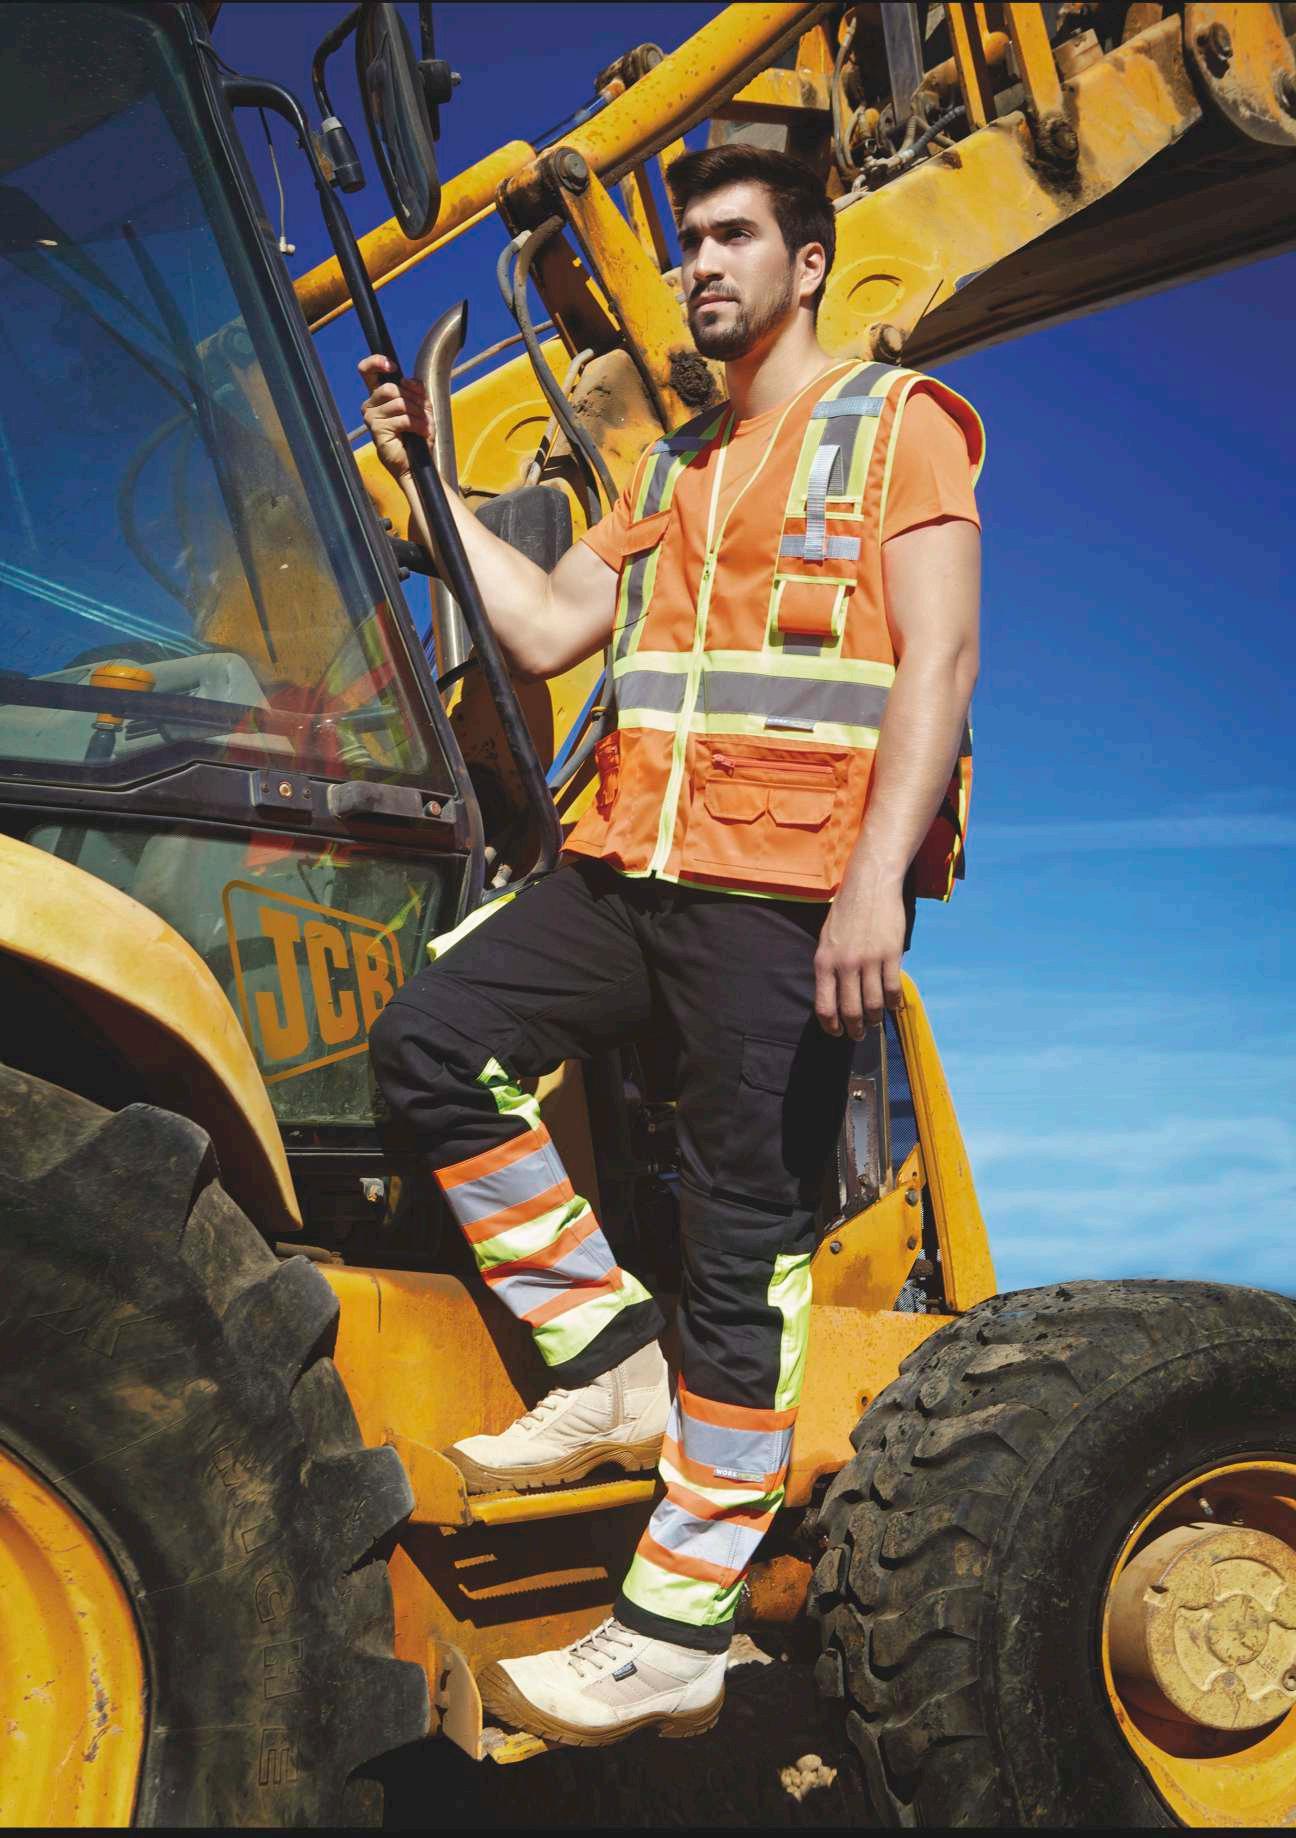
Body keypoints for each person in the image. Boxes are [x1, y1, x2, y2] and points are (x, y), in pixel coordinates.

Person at [361, 144, 983, 1747]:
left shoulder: (898, 425)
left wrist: (877, 881)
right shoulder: (667, 465)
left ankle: (677, 1628)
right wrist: (430, 487)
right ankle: (609, 1349)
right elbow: (546, 624)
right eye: (687, 239)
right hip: (631, 868)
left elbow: (940, 658)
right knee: (432, 1039)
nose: (700, 262)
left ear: (808, 260)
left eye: (731, 236)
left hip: (788, 895)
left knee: (740, 1250)